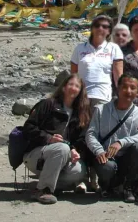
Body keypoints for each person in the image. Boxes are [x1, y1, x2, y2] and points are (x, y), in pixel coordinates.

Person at [22, 74, 91, 204]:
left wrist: (74, 150)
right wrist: (48, 138)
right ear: (64, 87)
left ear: (80, 91)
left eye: (77, 86)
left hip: (62, 154)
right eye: (70, 84)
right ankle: (43, 190)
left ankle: (50, 183)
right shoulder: (48, 104)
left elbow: (80, 139)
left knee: (79, 170)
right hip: (35, 154)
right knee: (62, 148)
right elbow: (28, 128)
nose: (73, 88)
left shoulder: (80, 113)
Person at [86, 74, 138, 203]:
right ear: (117, 89)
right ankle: (109, 186)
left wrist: (121, 142)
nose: (128, 91)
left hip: (127, 158)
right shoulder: (101, 110)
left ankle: (129, 188)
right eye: (124, 87)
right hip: (106, 156)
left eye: (133, 88)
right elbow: (90, 134)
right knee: (107, 167)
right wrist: (98, 151)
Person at [71, 15, 123, 108]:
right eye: (97, 25)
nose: (100, 28)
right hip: (82, 97)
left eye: (105, 26)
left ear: (109, 31)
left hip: (103, 97)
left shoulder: (114, 48)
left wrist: (121, 97)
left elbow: (118, 77)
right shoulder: (79, 48)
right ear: (92, 28)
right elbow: (74, 75)